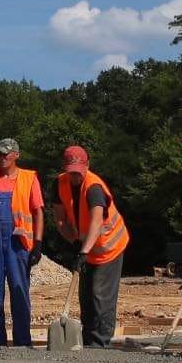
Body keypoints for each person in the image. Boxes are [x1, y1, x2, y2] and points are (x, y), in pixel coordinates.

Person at [52, 145, 130, 348]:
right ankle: (88, 340)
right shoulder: (59, 184)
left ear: (87, 165)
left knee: (99, 294)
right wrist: (75, 242)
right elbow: (60, 220)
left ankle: (101, 343)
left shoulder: (94, 187)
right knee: (85, 295)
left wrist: (83, 251)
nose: (75, 177)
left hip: (108, 248)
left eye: (79, 172)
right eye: (71, 172)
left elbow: (96, 222)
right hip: (86, 247)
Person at [0, 138, 43, 347]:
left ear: (16, 155)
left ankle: (22, 342)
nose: (2, 158)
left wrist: (37, 244)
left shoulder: (29, 178)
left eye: (6, 154)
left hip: (18, 244)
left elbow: (38, 212)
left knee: (19, 291)